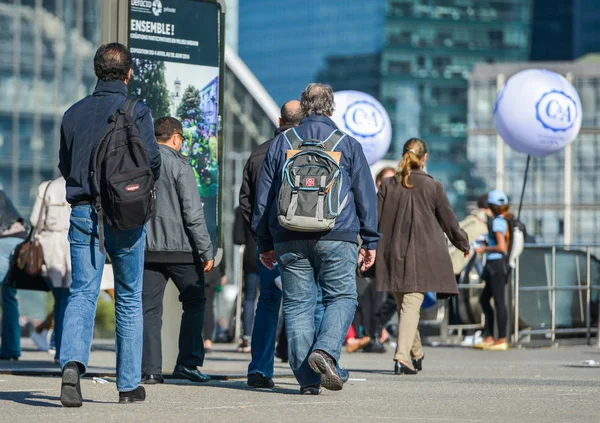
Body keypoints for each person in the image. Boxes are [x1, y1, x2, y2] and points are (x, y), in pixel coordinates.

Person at [253, 84, 380, 394]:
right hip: (338, 234)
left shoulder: (282, 142)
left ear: (304, 108)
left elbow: (264, 197)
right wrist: (370, 240)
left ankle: (308, 381)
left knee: (297, 306)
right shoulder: (347, 144)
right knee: (342, 297)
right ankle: (324, 351)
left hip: (288, 235)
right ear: (331, 108)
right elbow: (366, 195)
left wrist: (264, 242)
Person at [58, 42, 161, 407]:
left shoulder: (72, 114)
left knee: (83, 292)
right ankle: (129, 386)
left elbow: (65, 166)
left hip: (84, 211)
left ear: (96, 71)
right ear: (129, 73)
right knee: (129, 296)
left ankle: (71, 364)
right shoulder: (139, 111)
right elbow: (152, 162)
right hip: (127, 215)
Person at [376, 138, 469, 375]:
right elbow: (449, 221)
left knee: (405, 306)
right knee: (409, 306)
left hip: (392, 254)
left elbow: (373, 219)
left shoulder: (387, 185)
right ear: (424, 158)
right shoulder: (433, 186)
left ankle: (416, 352)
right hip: (422, 256)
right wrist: (463, 243)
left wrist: (367, 247)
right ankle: (402, 356)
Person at [142, 117, 214, 384]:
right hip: (182, 250)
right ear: (175, 138)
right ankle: (188, 363)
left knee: (148, 309)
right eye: (182, 139)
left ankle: (149, 370)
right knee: (195, 302)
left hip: (147, 249)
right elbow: (193, 215)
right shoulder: (181, 166)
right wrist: (206, 250)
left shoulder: (142, 162)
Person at [239, 100, 304, 388]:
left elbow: (246, 202)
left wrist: (260, 236)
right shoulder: (311, 150)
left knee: (267, 301)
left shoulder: (259, 153)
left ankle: (260, 369)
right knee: (306, 302)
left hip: (270, 242)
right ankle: (308, 371)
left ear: (279, 121)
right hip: (304, 239)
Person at [347, 167, 397, 354]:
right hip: (369, 252)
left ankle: (375, 330)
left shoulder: (397, 201)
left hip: (390, 256)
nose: (392, 184)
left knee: (391, 297)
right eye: (387, 180)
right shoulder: (371, 200)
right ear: (378, 183)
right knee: (368, 297)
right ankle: (369, 336)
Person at [28, 177, 71, 364]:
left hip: (49, 245)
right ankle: (64, 349)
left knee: (59, 300)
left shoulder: (47, 187)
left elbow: (34, 219)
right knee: (69, 300)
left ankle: (59, 348)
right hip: (71, 244)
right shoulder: (79, 183)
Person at [474, 190, 511, 351]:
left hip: (496, 265)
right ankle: (490, 336)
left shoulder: (497, 222)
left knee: (498, 301)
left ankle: (501, 338)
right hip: (495, 265)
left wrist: (484, 248)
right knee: (485, 299)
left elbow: (501, 246)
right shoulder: (503, 220)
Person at [0, 191, 29, 360]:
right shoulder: (3, 194)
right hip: (19, 240)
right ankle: (11, 349)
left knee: (7, 298)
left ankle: (10, 349)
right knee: (9, 297)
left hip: (3, 240)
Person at [233, 206, 258, 353]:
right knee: (270, 300)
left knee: (249, 297)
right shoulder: (272, 202)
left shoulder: (241, 210)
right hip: (272, 255)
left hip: (250, 256)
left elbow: (238, 238)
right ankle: (266, 338)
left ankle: (247, 337)